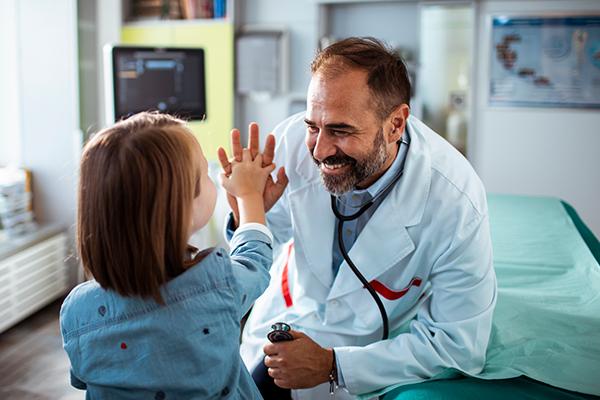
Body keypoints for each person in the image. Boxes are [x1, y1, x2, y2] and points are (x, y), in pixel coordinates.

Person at [219, 37, 497, 399]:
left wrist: (333, 365)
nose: (319, 150)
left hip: (366, 348)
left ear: (395, 124)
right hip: (283, 318)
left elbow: (459, 345)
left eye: (340, 130)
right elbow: (267, 242)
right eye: (313, 126)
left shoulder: (454, 203)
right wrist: (248, 209)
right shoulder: (291, 143)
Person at [60, 111, 277, 399]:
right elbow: (254, 260)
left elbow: (82, 378)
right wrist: (249, 195)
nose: (213, 177)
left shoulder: (76, 310)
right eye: (203, 172)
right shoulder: (216, 285)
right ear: (181, 211)